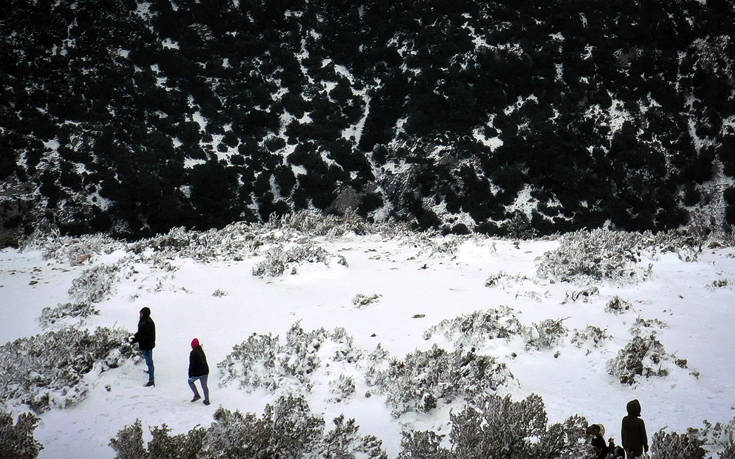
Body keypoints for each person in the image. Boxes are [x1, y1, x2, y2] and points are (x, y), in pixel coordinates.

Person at [130, 307, 156, 387]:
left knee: (149, 361)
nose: (140, 315)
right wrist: (135, 337)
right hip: (145, 344)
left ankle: (151, 381)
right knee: (148, 360)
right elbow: (140, 332)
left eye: (141, 313)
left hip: (147, 345)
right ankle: (149, 370)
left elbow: (144, 335)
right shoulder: (143, 320)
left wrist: (135, 340)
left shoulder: (148, 323)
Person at [188, 338, 210, 405]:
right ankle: (207, 400)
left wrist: (190, 374)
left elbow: (192, 365)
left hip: (198, 373)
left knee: (190, 381)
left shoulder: (193, 353)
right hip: (205, 371)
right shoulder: (201, 351)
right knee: (204, 385)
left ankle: (197, 395)